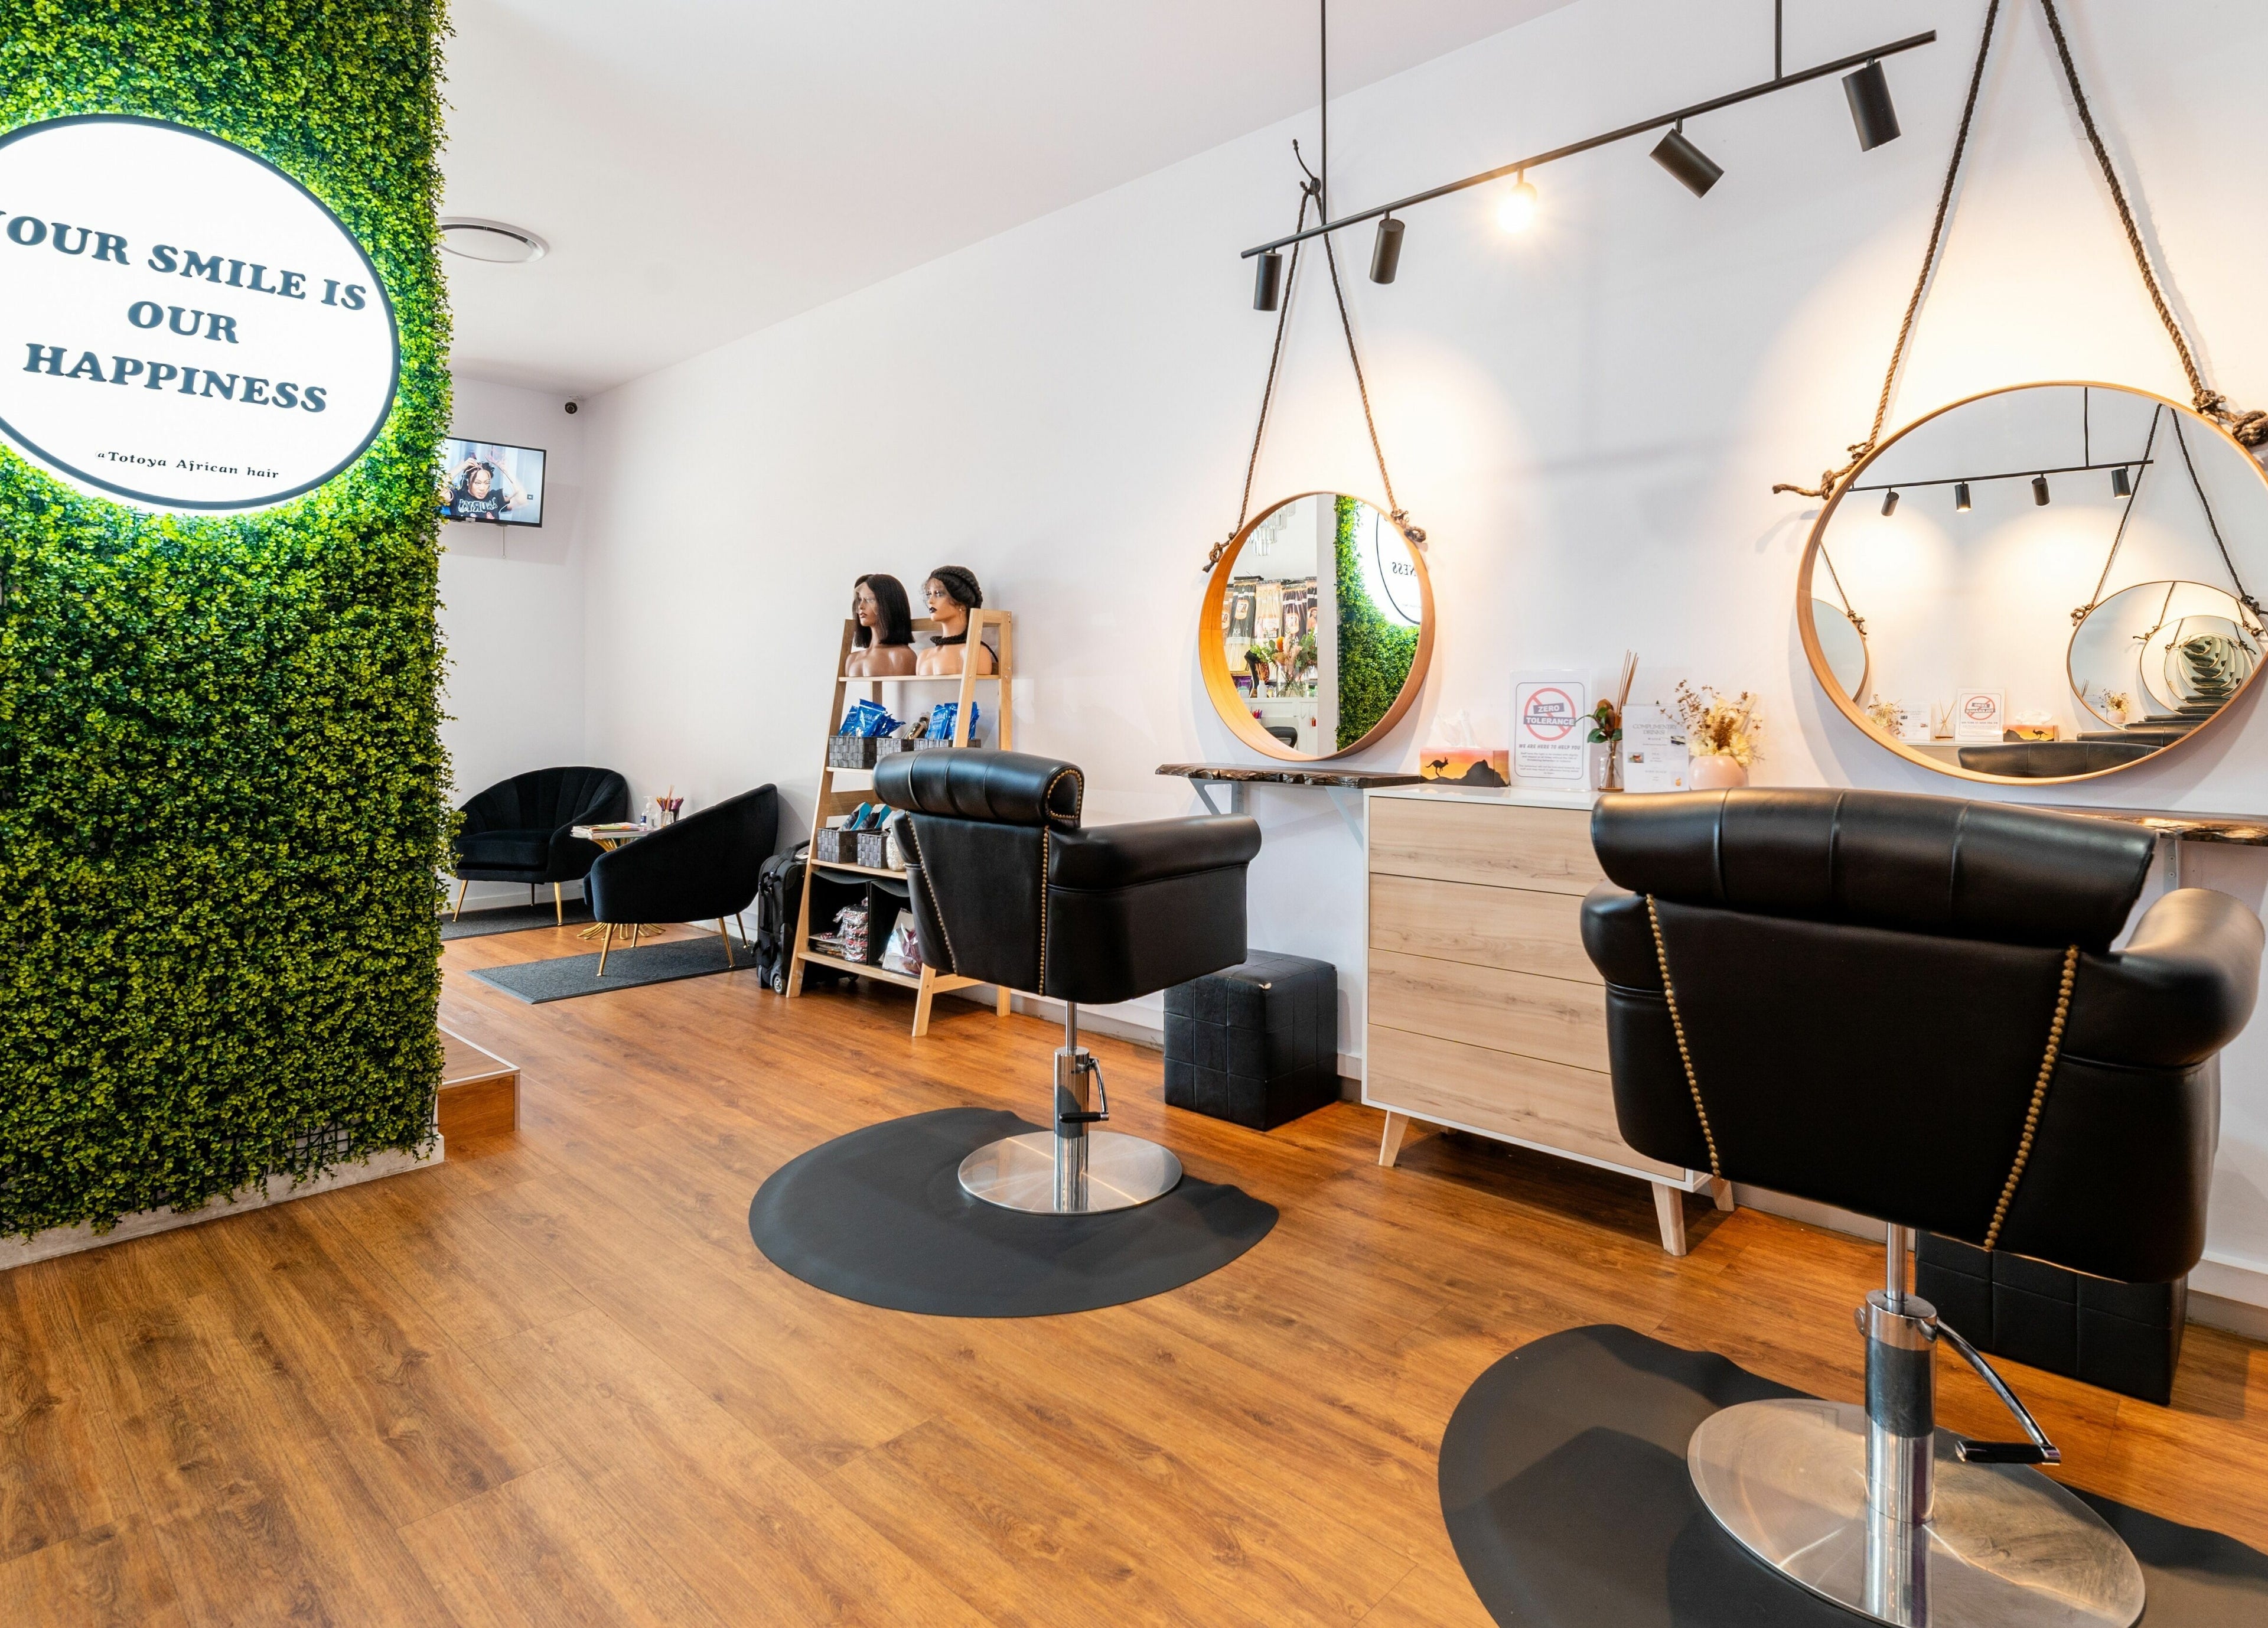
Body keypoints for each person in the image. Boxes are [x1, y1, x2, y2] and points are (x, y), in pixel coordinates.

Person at [915, 565, 997, 676]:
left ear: (962, 604)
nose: (930, 601)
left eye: (939, 594)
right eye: (929, 594)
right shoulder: (924, 656)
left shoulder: (976, 653)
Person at [845, 574, 917, 677]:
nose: (861, 606)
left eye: (870, 600)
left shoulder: (901, 656)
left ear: (888, 604)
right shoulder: (852, 659)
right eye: (860, 600)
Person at [444, 455, 530, 522]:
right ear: (468, 482)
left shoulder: (495, 497)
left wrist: (506, 471)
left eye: (487, 483)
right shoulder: (458, 496)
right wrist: (459, 468)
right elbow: (439, 493)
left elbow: (522, 500)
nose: (483, 488)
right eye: (478, 483)